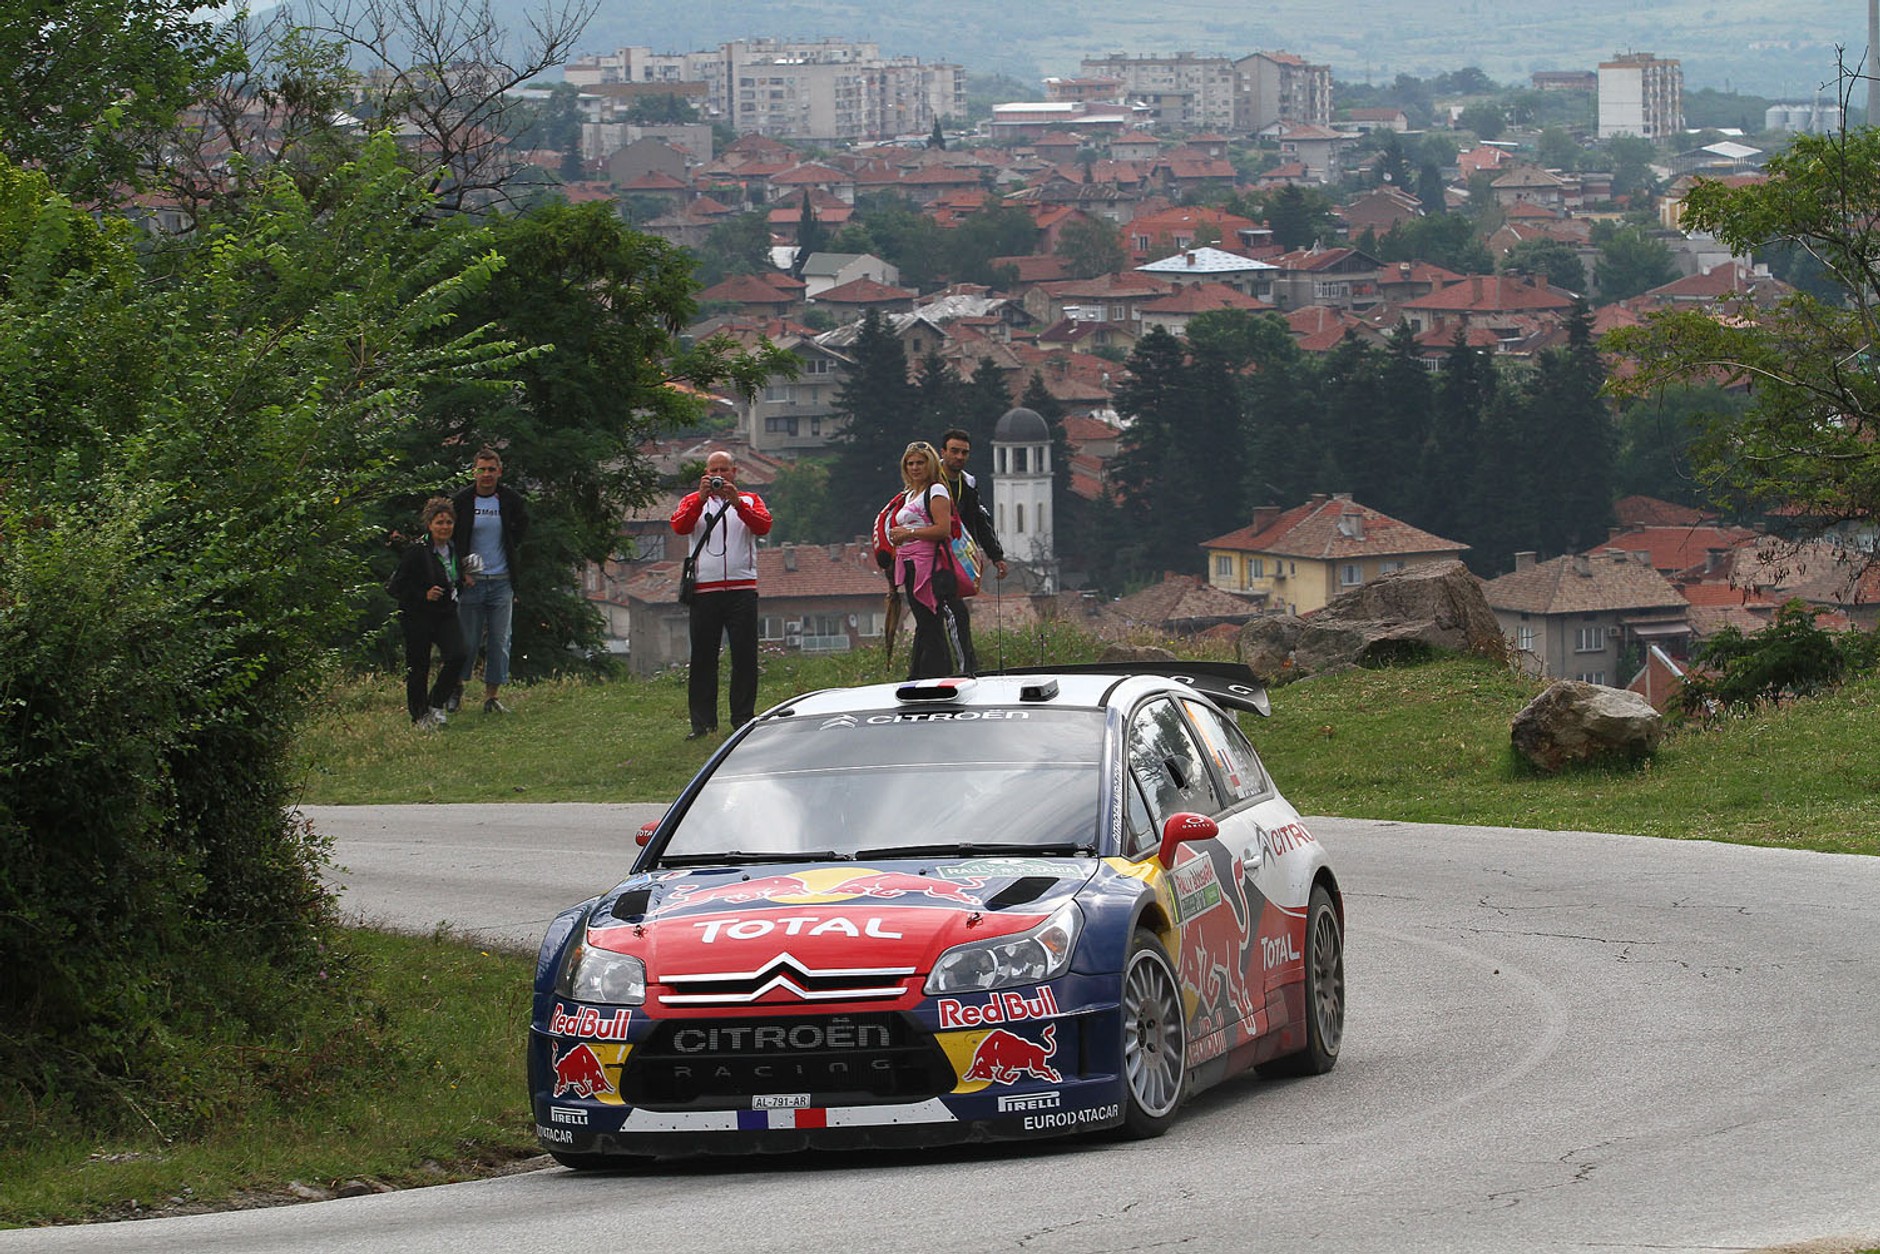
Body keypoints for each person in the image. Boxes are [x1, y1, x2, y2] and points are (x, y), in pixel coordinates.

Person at [670, 449, 773, 739]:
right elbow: (679, 526)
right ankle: (702, 722)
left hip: (742, 589)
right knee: (703, 656)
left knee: (744, 655)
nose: (718, 476)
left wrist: (737, 502)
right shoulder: (693, 501)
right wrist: (700, 500)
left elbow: (763, 525)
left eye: (723, 470)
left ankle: (742, 717)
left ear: (734, 472)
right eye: (712, 471)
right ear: (705, 474)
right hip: (705, 590)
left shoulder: (750, 500)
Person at [452, 446, 529, 715]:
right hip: (471, 581)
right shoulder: (461, 501)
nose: (486, 475)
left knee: (499, 640)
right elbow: (451, 539)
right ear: (474, 471)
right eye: (482, 470)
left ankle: (492, 696)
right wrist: (461, 571)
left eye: (491, 470)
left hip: (501, 580)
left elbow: (520, 530)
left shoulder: (510, 500)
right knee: (467, 640)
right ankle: (456, 689)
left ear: (500, 471)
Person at [887, 441, 969, 680]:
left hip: (930, 566)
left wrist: (909, 533)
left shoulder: (936, 491)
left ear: (930, 464)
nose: (915, 468)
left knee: (932, 623)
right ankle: (921, 674)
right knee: (924, 624)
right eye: (910, 463)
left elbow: (942, 529)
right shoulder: (911, 493)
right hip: (910, 564)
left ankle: (938, 674)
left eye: (920, 463)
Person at [387, 497, 468, 730]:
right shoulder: (417, 551)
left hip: (445, 612)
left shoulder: (454, 549)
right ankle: (419, 714)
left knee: (458, 654)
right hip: (418, 614)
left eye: (449, 522)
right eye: (439, 522)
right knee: (419, 665)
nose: (444, 527)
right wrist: (423, 594)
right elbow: (395, 587)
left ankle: (436, 702)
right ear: (430, 525)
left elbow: (453, 577)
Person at [938, 428, 1009, 676]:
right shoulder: (930, 479)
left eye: (964, 453)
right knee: (955, 613)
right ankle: (966, 669)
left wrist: (996, 555)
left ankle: (931, 671)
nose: (959, 457)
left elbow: (980, 520)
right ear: (943, 452)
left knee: (934, 620)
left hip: (957, 557)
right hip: (931, 559)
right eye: (954, 451)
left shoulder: (968, 483)